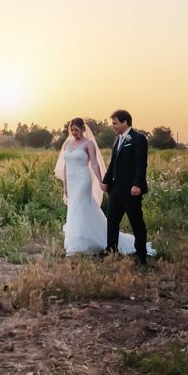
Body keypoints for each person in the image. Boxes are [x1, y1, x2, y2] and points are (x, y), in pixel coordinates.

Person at [54, 117, 154, 258]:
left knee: (81, 207)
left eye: (77, 130)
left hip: (83, 180)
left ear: (83, 129)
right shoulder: (67, 144)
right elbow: (65, 165)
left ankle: (84, 243)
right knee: (73, 209)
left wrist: (102, 181)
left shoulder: (88, 144)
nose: (74, 133)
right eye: (72, 130)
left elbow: (94, 163)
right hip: (71, 181)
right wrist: (64, 185)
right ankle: (75, 241)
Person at [101, 109, 150, 264]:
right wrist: (105, 181)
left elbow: (141, 164)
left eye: (115, 123)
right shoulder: (118, 139)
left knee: (136, 222)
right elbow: (113, 162)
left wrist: (137, 185)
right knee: (112, 221)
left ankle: (141, 255)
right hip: (115, 189)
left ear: (125, 122)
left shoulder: (138, 138)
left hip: (131, 190)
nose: (113, 126)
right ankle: (111, 251)